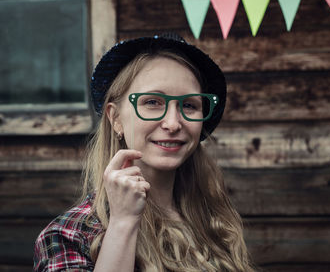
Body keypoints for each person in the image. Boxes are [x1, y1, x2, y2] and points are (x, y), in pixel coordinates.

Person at [33, 33, 254, 272]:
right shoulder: (68, 235)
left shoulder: (213, 219)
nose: (172, 123)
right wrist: (123, 222)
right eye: (152, 102)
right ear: (115, 118)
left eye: (189, 105)